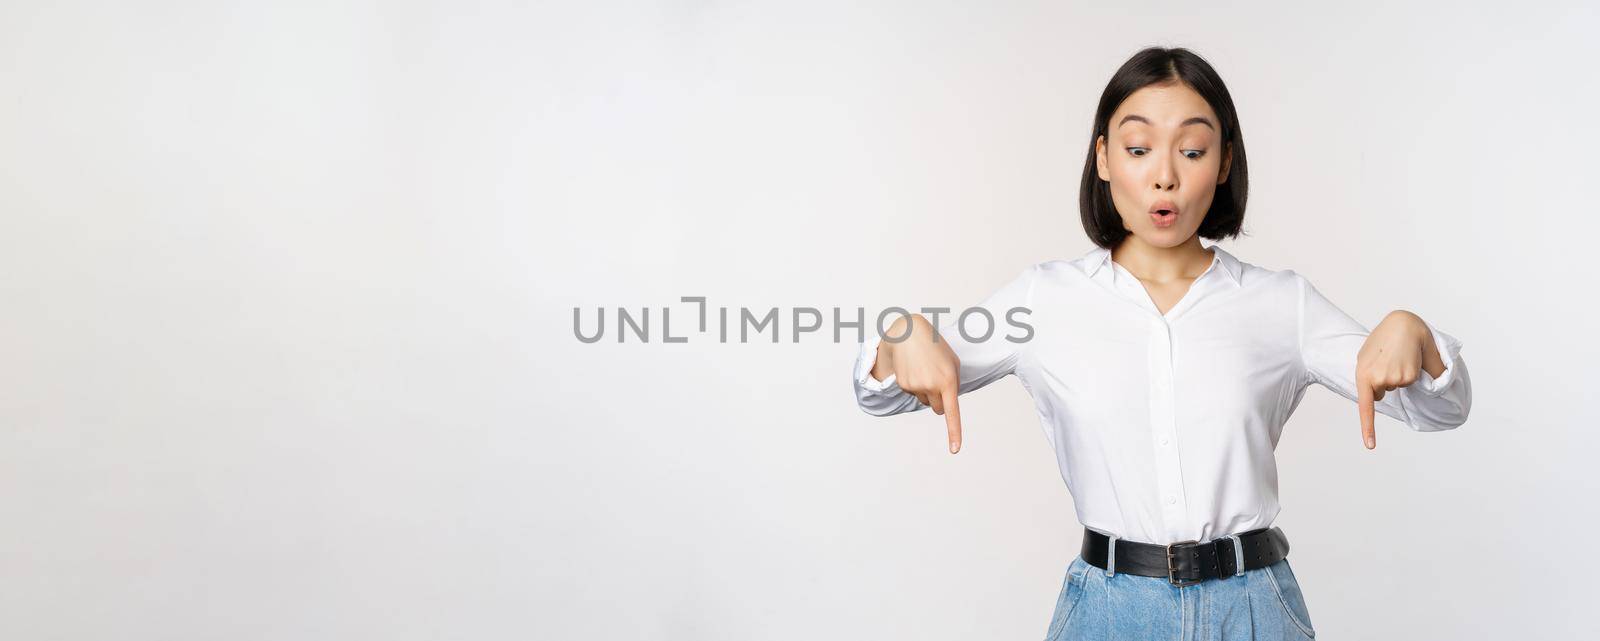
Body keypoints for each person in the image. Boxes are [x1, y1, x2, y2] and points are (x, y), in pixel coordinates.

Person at [850, 46, 1472, 641]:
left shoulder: (1283, 305)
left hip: (1253, 606)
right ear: (1102, 158)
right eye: (1139, 148)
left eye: (1194, 149)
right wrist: (903, 333)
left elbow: (1441, 408)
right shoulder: (1044, 299)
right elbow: (883, 391)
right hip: (1110, 609)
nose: (1165, 177)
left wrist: (1415, 335)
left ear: (1224, 163)